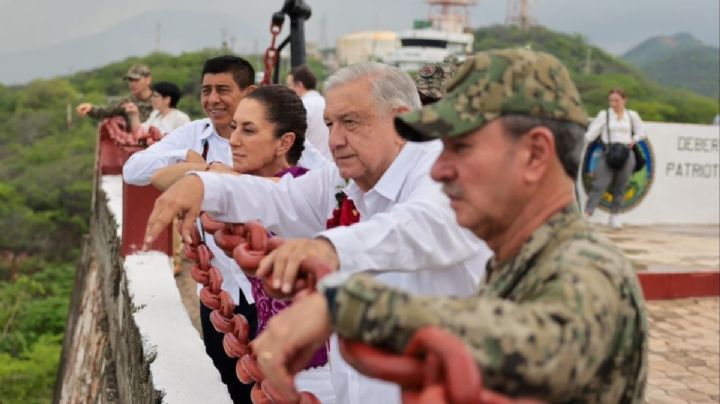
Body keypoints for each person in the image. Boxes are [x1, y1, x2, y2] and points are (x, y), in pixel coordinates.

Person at [246, 49, 648, 403]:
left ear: (534, 154)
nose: (438, 167)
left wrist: (347, 308)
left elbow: (530, 343)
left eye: (460, 147)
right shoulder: (518, 260)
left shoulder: (587, 268)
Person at [143, 62, 492, 404]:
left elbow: (427, 224)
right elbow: (281, 197)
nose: (336, 140)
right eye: (329, 124)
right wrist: (204, 186)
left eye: (351, 123)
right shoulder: (346, 179)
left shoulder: (442, 167)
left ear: (400, 119)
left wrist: (329, 249)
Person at [584, 88, 646, 229]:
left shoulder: (631, 115)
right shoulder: (604, 115)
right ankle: (588, 214)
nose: (614, 103)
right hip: (608, 151)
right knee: (599, 184)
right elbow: (591, 134)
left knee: (621, 186)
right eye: (611, 100)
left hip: (626, 152)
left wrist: (634, 139)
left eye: (617, 100)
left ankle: (615, 217)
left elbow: (642, 131)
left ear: (624, 100)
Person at [76, 64, 154, 126]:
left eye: (136, 80)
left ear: (148, 79)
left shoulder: (161, 99)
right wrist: (91, 109)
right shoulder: (127, 102)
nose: (132, 84)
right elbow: (107, 111)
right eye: (130, 80)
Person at [287, 65, 332, 160]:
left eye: (289, 85)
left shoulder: (301, 106)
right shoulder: (327, 102)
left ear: (299, 85)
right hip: (331, 163)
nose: (288, 90)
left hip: (309, 166)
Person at [126, 81, 190, 136]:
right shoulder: (155, 114)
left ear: (167, 99)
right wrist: (134, 114)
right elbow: (141, 131)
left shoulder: (180, 118)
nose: (152, 99)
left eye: (155, 96)